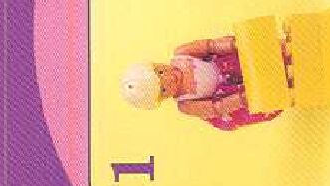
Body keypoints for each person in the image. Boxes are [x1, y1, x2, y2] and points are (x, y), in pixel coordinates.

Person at [121, 34, 285, 131]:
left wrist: (234, 44)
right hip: (226, 95)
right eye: (164, 89)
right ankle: (279, 90)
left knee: (250, 55)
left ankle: (276, 51)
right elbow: (216, 108)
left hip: (224, 64)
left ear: (156, 64)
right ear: (163, 99)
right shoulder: (185, 105)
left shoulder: (181, 53)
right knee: (258, 97)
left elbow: (210, 46)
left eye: (160, 72)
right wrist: (242, 98)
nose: (169, 79)